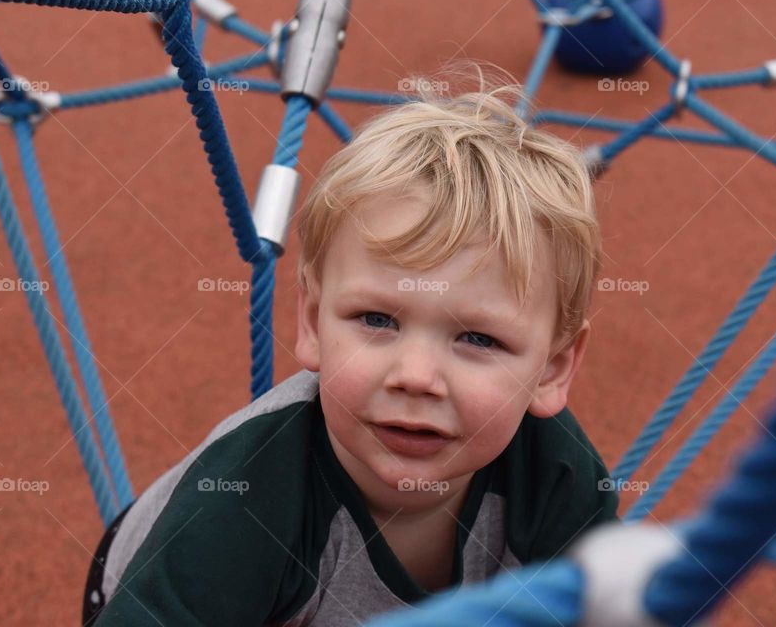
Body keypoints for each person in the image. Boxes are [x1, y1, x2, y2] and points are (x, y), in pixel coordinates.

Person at [87, 63, 619, 626]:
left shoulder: (558, 478)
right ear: (314, 322)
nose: (415, 375)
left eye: (478, 338)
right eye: (377, 320)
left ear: (552, 369)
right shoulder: (246, 499)